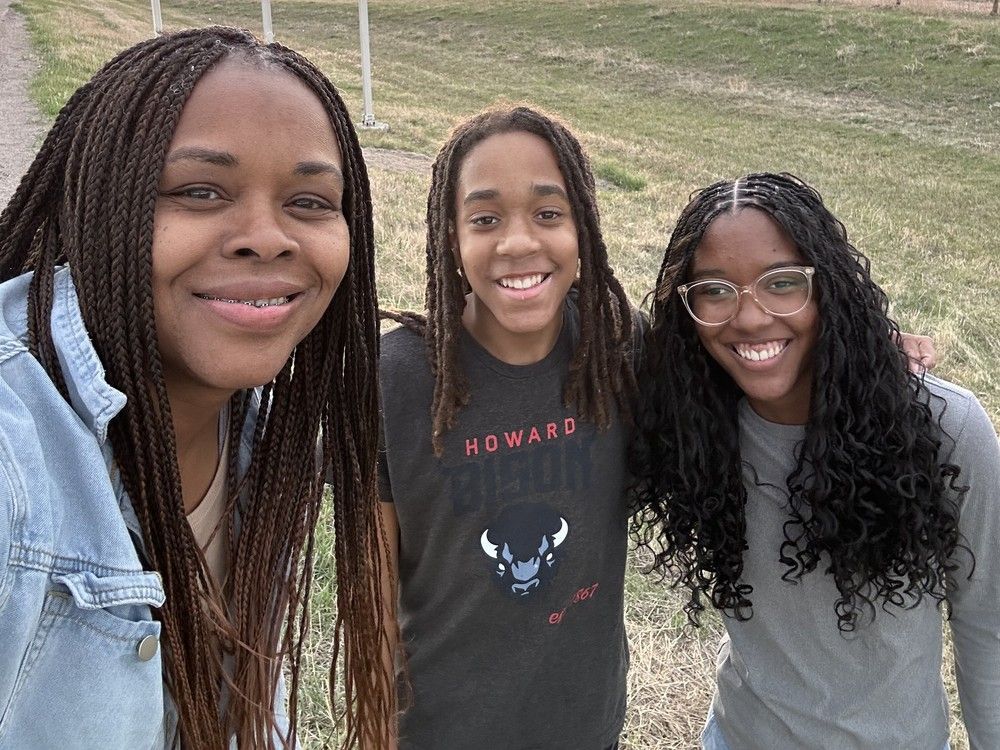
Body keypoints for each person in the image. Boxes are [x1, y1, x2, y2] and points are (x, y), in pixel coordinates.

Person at [0, 27, 390, 749]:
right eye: (200, 191)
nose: (267, 237)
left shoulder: (264, 435)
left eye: (310, 202)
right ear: (99, 205)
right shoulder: (13, 457)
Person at [630, 172, 1000, 750]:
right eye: (715, 290)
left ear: (829, 289)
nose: (749, 318)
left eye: (782, 283)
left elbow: (989, 625)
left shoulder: (944, 431)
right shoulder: (686, 424)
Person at [377, 105, 638, 749]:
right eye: (485, 218)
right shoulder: (396, 378)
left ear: (585, 230)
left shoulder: (618, 349)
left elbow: (741, 360)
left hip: (585, 724)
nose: (518, 243)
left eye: (549, 214)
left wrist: (862, 343)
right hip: (443, 730)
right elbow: (370, 588)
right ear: (450, 238)